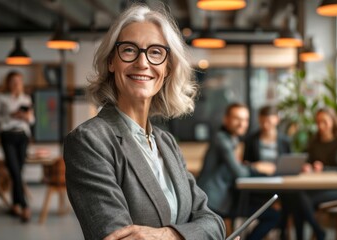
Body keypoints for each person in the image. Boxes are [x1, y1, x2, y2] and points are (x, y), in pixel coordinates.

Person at [63, 4, 225, 240]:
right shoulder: (89, 141)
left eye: (156, 52)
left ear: (167, 68)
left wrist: (169, 236)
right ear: (111, 61)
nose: (142, 62)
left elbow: (215, 223)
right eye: (129, 50)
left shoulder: (166, 142)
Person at [197, 103, 276, 238]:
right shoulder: (221, 139)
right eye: (237, 119)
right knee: (272, 216)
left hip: (224, 199)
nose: (242, 124)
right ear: (226, 119)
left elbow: (237, 169)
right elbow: (240, 173)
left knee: (271, 213)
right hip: (212, 201)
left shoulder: (232, 139)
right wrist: (256, 167)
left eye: (245, 120)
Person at [288, 107, 337, 240]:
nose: (321, 125)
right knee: (297, 196)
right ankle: (307, 235)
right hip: (320, 187)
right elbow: (305, 159)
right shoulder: (314, 142)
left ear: (333, 121)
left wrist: (325, 169)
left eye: (324, 121)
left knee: (301, 199)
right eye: (318, 122)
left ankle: (319, 232)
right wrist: (305, 166)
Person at [0, 70, 35, 222]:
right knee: (15, 172)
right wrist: (11, 115)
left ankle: (15, 205)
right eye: (13, 81)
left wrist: (26, 116)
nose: (16, 84)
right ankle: (25, 206)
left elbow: (32, 120)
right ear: (8, 83)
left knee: (18, 171)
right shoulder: (1, 98)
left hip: (22, 136)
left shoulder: (26, 98)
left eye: (19, 81)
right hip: (8, 136)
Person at [243, 105, 291, 239]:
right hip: (258, 185)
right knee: (273, 215)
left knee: (293, 203)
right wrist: (258, 166)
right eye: (262, 121)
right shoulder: (251, 140)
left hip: (281, 185)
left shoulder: (284, 141)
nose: (265, 125)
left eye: (269, 121)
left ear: (277, 120)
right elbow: (246, 163)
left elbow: (289, 163)